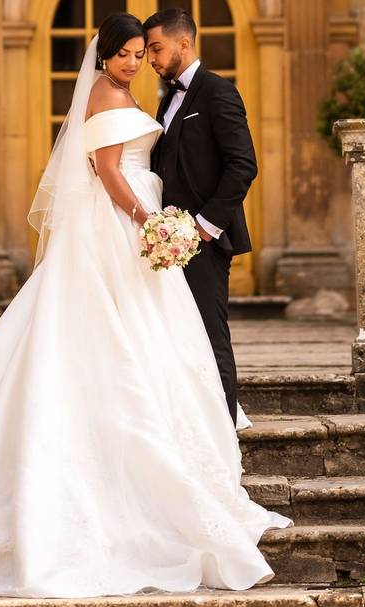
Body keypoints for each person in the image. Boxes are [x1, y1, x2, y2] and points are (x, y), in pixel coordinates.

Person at [0, 12, 293, 599]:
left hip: (155, 231)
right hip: (123, 225)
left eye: (142, 51)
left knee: (179, 339)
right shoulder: (107, 92)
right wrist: (147, 219)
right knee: (115, 332)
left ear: (175, 44)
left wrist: (179, 224)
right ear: (104, 56)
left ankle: (210, 452)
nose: (136, 61)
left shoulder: (175, 92)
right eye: (127, 52)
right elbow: (104, 169)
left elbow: (230, 163)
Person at [146, 9, 257, 425]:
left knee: (212, 339)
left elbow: (243, 165)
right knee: (179, 339)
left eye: (156, 48)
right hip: (168, 242)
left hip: (204, 241)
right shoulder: (166, 100)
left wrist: (204, 227)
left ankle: (224, 435)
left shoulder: (218, 93)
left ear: (184, 44)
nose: (152, 59)